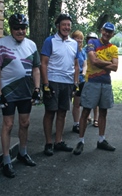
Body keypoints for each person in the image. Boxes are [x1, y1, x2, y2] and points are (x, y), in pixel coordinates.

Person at [0, 13, 41, 178]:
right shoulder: (1, 44)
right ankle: (6, 160)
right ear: (11, 28)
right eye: (17, 28)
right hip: (8, 90)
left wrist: (37, 88)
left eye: (23, 28)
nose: (20, 31)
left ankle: (22, 152)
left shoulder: (32, 45)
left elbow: (36, 68)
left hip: (26, 91)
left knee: (25, 123)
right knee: (8, 124)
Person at [73, 22, 118, 155]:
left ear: (112, 34)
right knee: (86, 111)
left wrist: (102, 62)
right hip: (91, 82)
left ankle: (101, 140)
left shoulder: (113, 48)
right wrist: (109, 62)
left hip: (106, 83)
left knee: (103, 112)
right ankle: (80, 141)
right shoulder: (92, 42)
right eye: (105, 31)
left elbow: (115, 67)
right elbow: (93, 61)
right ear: (101, 30)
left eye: (110, 32)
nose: (107, 34)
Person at [41, 13, 79, 156]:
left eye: (68, 25)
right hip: (52, 81)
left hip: (68, 83)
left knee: (62, 112)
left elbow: (76, 65)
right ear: (58, 26)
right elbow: (43, 64)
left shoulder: (74, 43)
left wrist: (76, 83)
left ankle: (58, 141)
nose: (66, 27)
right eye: (63, 25)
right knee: (50, 112)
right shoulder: (49, 41)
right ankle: (48, 143)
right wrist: (45, 84)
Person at [71, 30, 87, 134]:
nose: (79, 40)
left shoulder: (83, 52)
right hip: (70, 79)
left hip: (81, 80)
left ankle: (76, 124)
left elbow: (85, 64)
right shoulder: (69, 50)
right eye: (77, 38)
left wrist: (84, 72)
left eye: (81, 38)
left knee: (77, 103)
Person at [85, 32, 99, 127]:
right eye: (89, 38)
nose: (91, 40)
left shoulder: (98, 50)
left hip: (96, 77)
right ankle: (88, 116)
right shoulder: (83, 50)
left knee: (96, 100)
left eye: (93, 39)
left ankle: (96, 118)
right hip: (86, 77)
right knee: (87, 99)